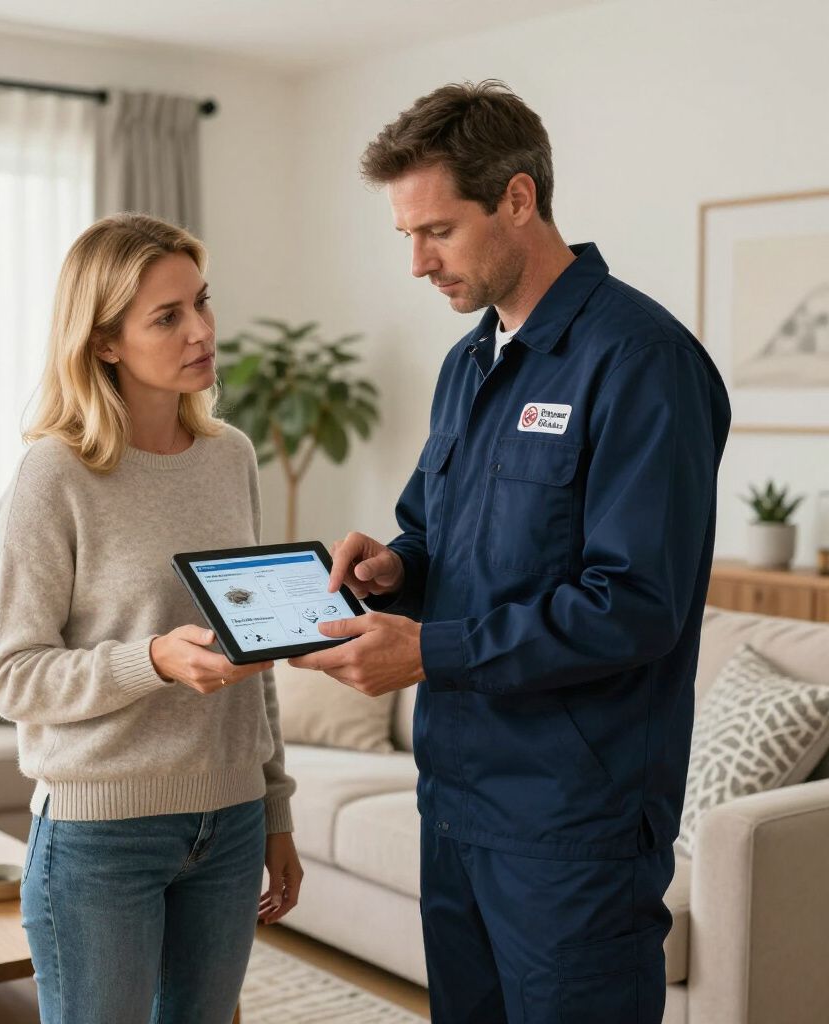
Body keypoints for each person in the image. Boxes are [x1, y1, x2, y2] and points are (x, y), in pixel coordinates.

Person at [289, 81, 730, 1024]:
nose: (417, 263)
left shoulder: (641, 362)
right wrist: (397, 567)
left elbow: (634, 605)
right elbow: (435, 532)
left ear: (519, 199)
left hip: (574, 827)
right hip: (455, 803)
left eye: (437, 230)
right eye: (406, 235)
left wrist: (427, 651)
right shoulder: (470, 362)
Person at [0, 213, 301, 1024]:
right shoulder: (53, 475)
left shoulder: (230, 455)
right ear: (104, 343)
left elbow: (250, 645)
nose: (201, 331)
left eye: (201, 302)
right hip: (101, 836)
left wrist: (273, 812)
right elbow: (12, 674)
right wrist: (152, 660)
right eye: (167, 316)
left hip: (229, 824)